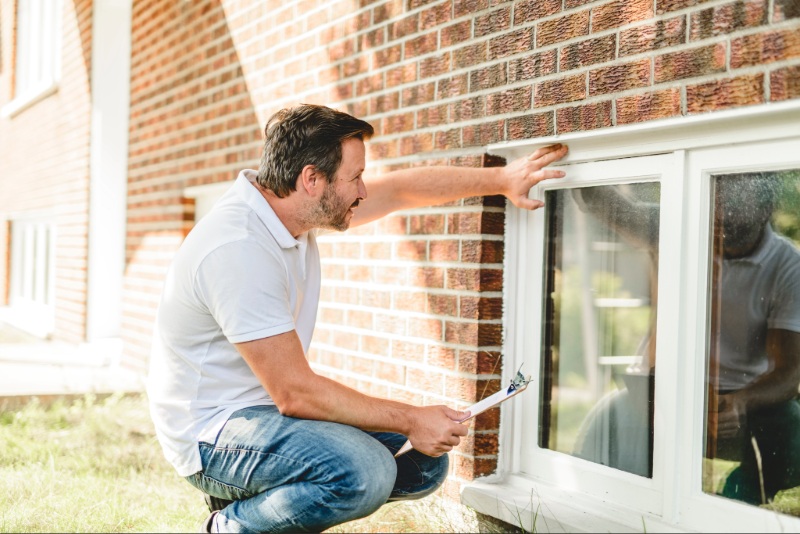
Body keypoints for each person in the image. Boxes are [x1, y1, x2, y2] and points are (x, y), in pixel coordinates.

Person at [146, 103, 569, 533]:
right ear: (312, 179)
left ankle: (266, 502)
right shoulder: (237, 247)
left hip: (264, 412)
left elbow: (402, 190)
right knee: (365, 472)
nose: (363, 190)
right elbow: (295, 393)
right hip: (211, 432)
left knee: (424, 464)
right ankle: (229, 526)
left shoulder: (293, 209)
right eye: (355, 178)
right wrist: (411, 417)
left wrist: (501, 180)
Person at [571, 173, 800, 505]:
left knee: (794, 427)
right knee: (609, 421)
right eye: (719, 201)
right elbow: (599, 201)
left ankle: (739, 499)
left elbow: (790, 374)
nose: (723, 214)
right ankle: (614, 506)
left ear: (767, 206)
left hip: (741, 397)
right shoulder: (676, 224)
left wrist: (742, 401)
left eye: (736, 205)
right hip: (664, 385)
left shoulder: (788, 265)